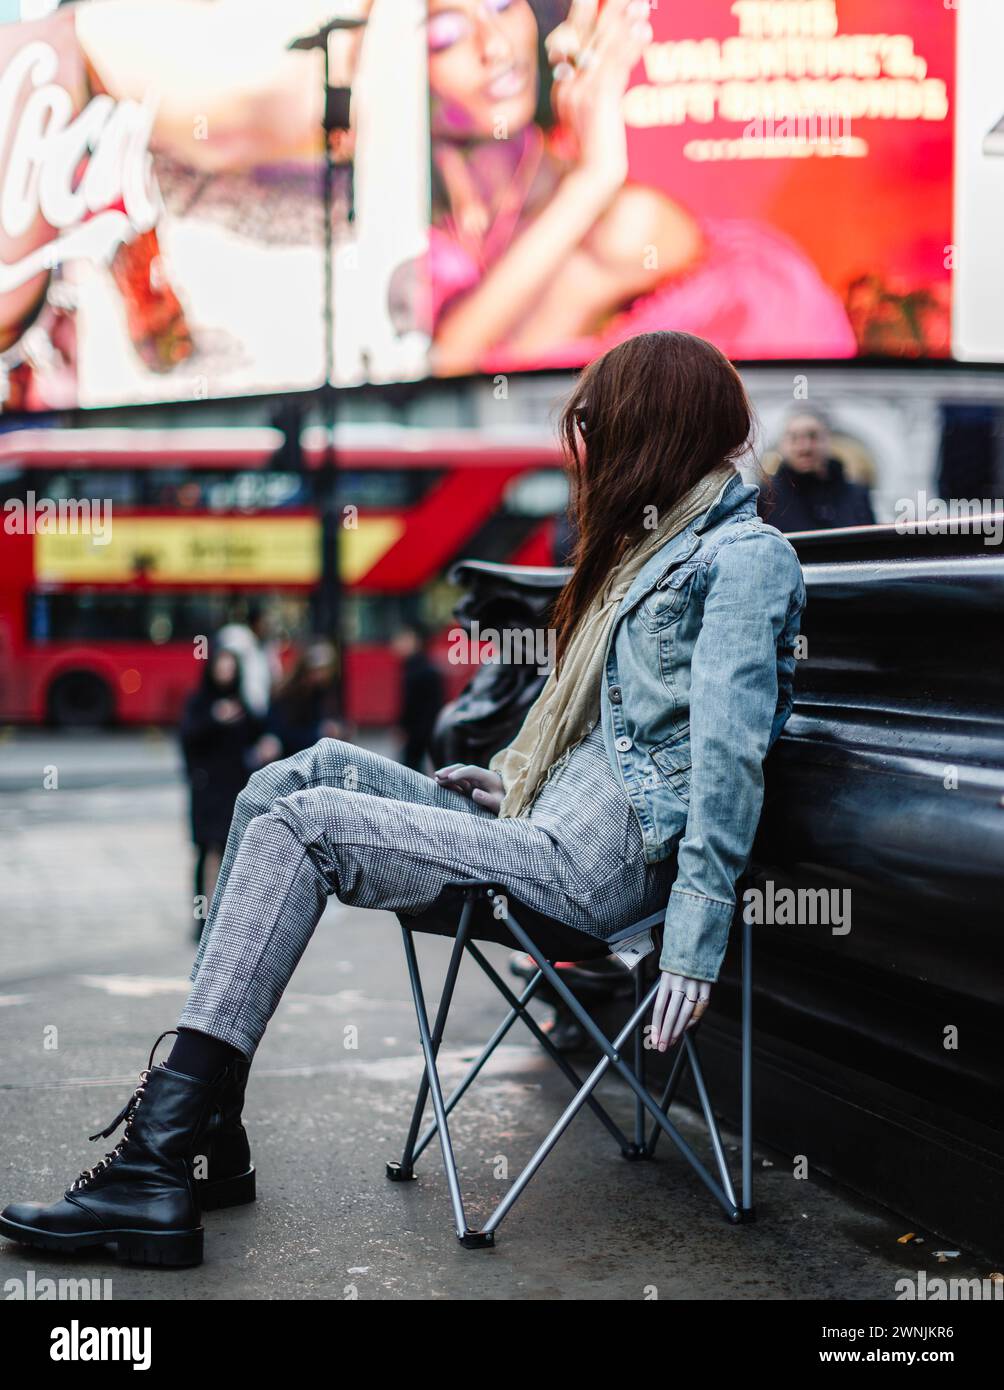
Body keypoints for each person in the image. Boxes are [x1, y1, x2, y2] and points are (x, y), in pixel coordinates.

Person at [0, 331, 806, 1268]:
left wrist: (696, 949)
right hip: (538, 829)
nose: (584, 447)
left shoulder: (743, 559)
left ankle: (156, 1160)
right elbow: (611, 731)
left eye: (599, 425)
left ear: (656, 429)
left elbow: (726, 762)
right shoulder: (647, 548)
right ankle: (208, 1135)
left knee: (308, 827)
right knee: (297, 777)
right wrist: (509, 780)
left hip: (592, 874)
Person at [413, 0, 856, 376]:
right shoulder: (400, 224)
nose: (495, 46)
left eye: (504, 5)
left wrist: (596, 177)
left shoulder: (622, 228)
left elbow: (453, 363)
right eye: (446, 34)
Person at [178, 645, 264, 944]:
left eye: (231, 667)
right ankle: (200, 922)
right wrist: (216, 718)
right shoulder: (200, 703)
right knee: (204, 854)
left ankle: (229, 920)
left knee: (235, 855)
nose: (226, 672)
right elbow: (188, 737)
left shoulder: (242, 704)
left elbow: (258, 732)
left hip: (234, 789)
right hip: (206, 789)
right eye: (222, 666)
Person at [758, 409, 876, 533]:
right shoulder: (765, 498)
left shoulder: (857, 495)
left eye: (813, 436)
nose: (805, 447)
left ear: (827, 440)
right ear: (783, 445)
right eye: (794, 438)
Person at [390, 623, 446, 771]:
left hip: (420, 731)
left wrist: (403, 727)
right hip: (428, 729)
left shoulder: (417, 670)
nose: (396, 644)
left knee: (410, 769)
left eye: (402, 640)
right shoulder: (423, 666)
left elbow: (410, 704)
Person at [215, 606, 281, 720]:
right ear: (255, 622)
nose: (267, 627)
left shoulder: (267, 647)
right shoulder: (238, 640)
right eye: (264, 622)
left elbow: (275, 676)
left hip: (261, 709)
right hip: (241, 709)